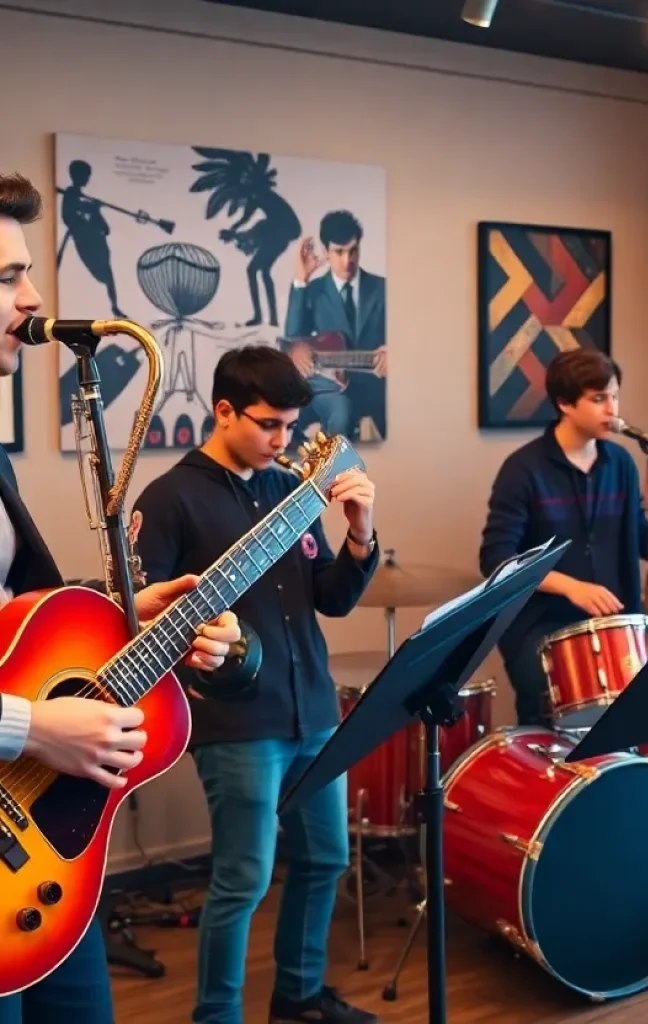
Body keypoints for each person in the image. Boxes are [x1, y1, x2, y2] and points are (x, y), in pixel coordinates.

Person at [0, 175, 241, 1022]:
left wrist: (123, 618)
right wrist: (36, 728)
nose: (32, 299)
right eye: (5, 278)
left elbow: (14, 627)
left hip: (33, 851)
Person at [130, 345, 380, 1024]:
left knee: (325, 860)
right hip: (238, 721)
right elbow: (137, 620)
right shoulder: (171, 496)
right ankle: (218, 1016)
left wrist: (359, 537)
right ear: (223, 411)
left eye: (292, 425)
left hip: (313, 708)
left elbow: (328, 596)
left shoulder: (287, 490)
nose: (284, 439)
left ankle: (298, 999)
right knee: (242, 881)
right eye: (269, 424)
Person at [479, 347, 648, 726]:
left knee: (626, 728)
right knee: (551, 730)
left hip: (616, 622)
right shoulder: (523, 469)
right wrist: (570, 586)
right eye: (599, 399)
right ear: (564, 404)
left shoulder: (621, 463)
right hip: (541, 625)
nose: (613, 410)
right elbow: (496, 559)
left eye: (615, 396)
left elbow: (645, 543)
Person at [284, 210, 387, 443]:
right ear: (326, 252)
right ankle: (330, 476)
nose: (347, 260)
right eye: (339, 252)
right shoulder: (313, 291)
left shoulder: (383, 288)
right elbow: (292, 337)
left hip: (377, 386)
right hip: (329, 388)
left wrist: (394, 351)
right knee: (339, 413)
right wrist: (301, 279)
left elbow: (406, 336)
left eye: (353, 251)